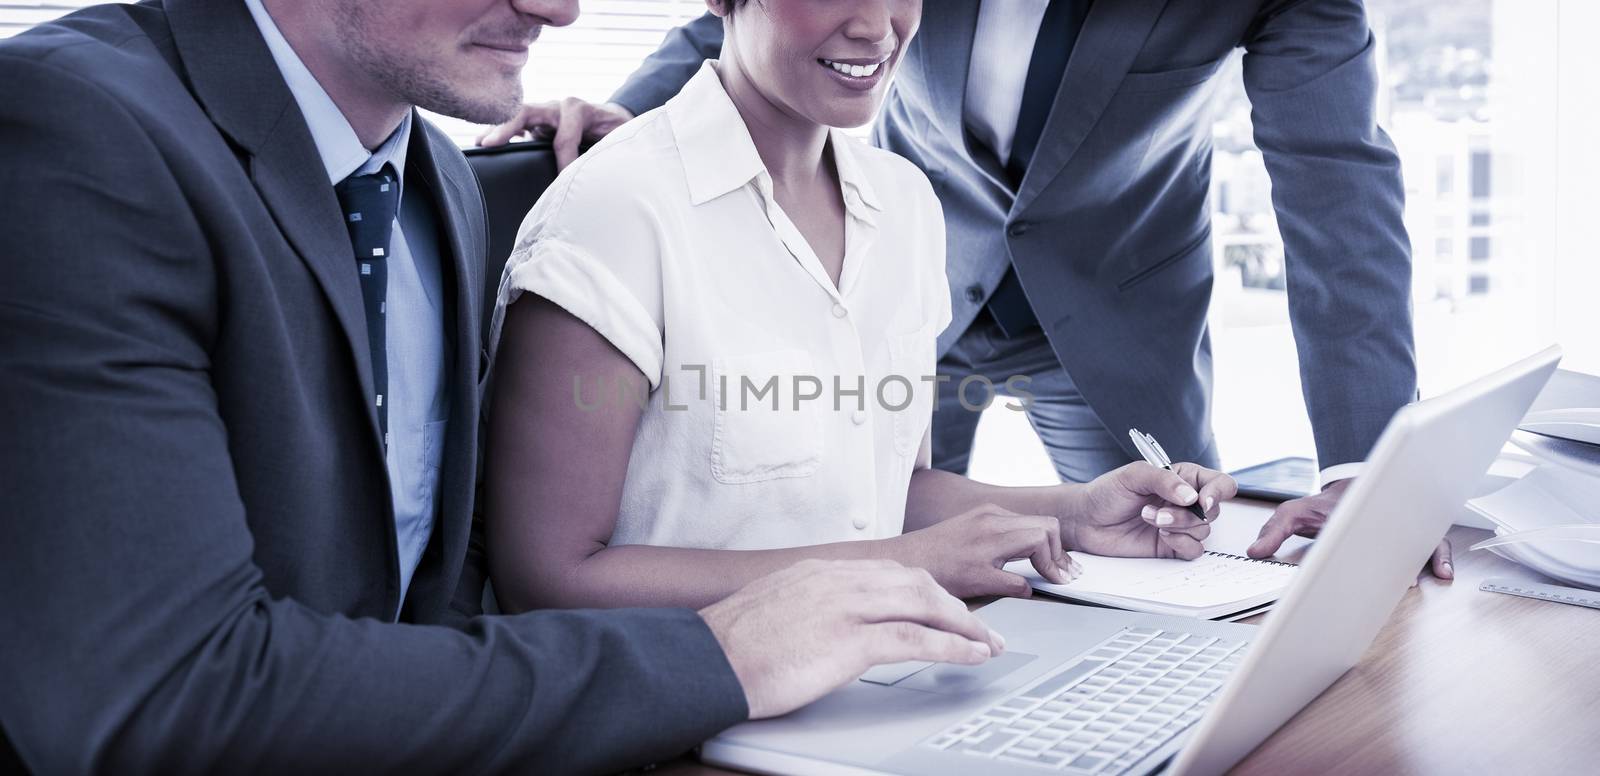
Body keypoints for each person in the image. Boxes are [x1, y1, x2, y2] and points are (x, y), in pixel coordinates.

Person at [0, 0, 1014, 771]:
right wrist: (723, 657)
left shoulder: (434, 179)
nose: (561, 8)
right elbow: (163, 694)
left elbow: (419, 598)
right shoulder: (75, 129)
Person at [481, 0, 1454, 577]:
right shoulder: (632, 219)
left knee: (1168, 561)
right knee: (843, 523)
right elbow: (771, 27)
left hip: (1109, 295)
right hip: (895, 258)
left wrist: (1368, 473)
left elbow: (1339, 184)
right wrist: (640, 129)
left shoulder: (885, 205)